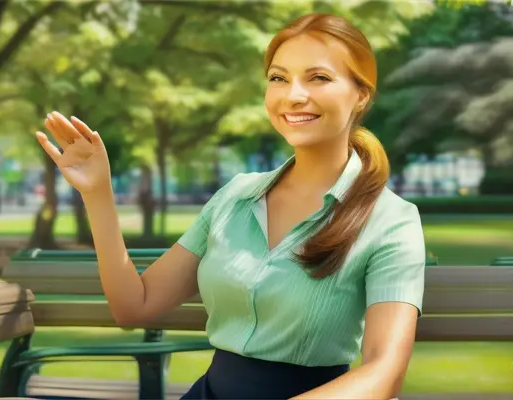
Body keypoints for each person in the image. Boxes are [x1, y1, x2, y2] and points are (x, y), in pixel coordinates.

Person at [36, 12, 426, 400]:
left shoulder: (391, 221)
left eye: (318, 77)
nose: (293, 95)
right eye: (279, 78)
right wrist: (98, 193)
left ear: (361, 94)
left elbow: (384, 372)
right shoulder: (235, 197)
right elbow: (134, 307)